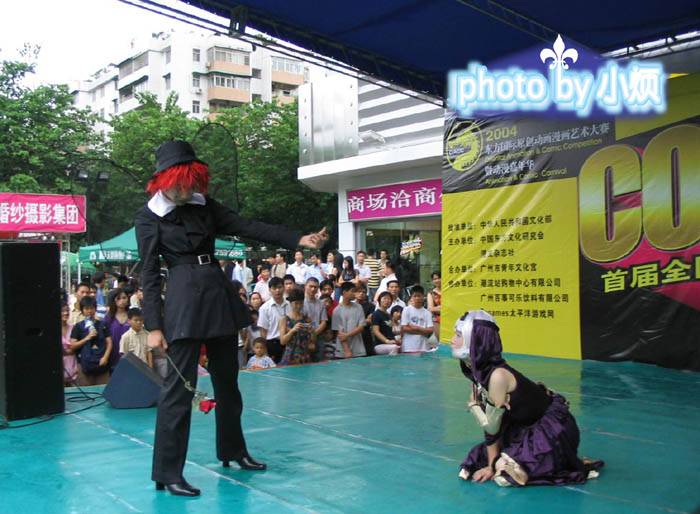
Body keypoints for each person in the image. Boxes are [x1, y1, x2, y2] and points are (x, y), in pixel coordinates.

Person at [134, 140, 327, 497]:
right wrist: (154, 326)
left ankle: (234, 451)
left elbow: (247, 225)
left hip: (218, 295)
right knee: (178, 391)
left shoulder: (203, 204)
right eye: (182, 183)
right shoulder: (149, 216)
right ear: (165, 180)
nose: (188, 189)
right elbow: (148, 272)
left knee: (228, 384)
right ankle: (167, 472)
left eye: (193, 182)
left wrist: (298, 238)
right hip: (183, 302)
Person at [452, 310, 604, 487]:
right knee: (484, 456)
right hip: (525, 426)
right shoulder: (479, 371)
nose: (452, 339)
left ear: (475, 340)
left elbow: (491, 427)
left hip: (554, 431)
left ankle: (559, 458)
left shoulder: (498, 376)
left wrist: (491, 466)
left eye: (458, 335)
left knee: (505, 471)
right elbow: (495, 425)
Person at [70, 296, 113, 385]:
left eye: (91, 308)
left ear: (95, 309)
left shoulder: (103, 324)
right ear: (82, 310)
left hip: (102, 364)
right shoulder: (78, 327)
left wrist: (105, 357)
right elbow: (72, 345)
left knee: (103, 390)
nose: (89, 311)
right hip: (85, 366)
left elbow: (109, 342)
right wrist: (87, 338)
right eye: (86, 309)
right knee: (86, 390)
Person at [279, 288, 315, 365]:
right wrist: (292, 330)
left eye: (301, 303)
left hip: (304, 356)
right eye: (296, 303)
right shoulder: (284, 319)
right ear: (290, 303)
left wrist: (312, 332)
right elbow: (282, 341)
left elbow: (313, 340)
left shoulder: (307, 319)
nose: (299, 306)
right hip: (290, 356)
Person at [257, 276, 289, 364]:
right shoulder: (264, 308)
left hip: (288, 343)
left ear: (284, 288)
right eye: (274, 288)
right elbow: (263, 331)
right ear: (269, 290)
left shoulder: (290, 305)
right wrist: (265, 351)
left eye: (279, 287)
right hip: (272, 344)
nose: (277, 290)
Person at [331, 282, 367, 359]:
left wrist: (347, 335)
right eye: (352, 291)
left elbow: (361, 327)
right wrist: (347, 350)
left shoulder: (359, 307)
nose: (354, 293)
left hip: (358, 348)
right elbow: (340, 333)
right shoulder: (337, 310)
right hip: (342, 350)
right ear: (344, 292)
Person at [103, 288, 131, 371]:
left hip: (130, 354)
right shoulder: (108, 317)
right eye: (118, 298)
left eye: (124, 298)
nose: (122, 301)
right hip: (113, 354)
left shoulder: (132, 315)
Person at [400, 285, 433, 353]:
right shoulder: (406, 310)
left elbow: (430, 330)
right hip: (408, 347)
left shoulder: (427, 312)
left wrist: (417, 328)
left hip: (423, 347)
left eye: (419, 296)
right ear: (411, 297)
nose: (417, 298)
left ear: (423, 297)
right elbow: (404, 328)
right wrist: (423, 331)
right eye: (415, 296)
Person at [302, 277, 328, 361]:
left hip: (318, 336)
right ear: (305, 286)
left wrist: (314, 334)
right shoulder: (300, 303)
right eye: (311, 286)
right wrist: (310, 336)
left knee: (319, 364)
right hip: (303, 337)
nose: (313, 289)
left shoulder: (321, 303)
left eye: (315, 287)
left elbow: (324, 322)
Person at [354, 284, 375, 356]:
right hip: (353, 334)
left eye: (363, 292)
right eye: (359, 292)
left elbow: (369, 320)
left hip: (365, 334)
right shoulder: (351, 305)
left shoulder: (371, 306)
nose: (361, 294)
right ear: (354, 292)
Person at [61, 303, 78, 385]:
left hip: (73, 368)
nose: (66, 313)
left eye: (67, 310)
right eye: (62, 311)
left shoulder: (73, 328)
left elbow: (77, 346)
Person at [427, 271, 442, 341]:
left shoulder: (448, 291)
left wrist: (438, 308)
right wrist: (444, 308)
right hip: (437, 321)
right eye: (435, 279)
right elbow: (431, 309)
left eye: (439, 278)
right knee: (440, 341)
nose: (437, 280)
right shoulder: (431, 293)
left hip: (449, 318)